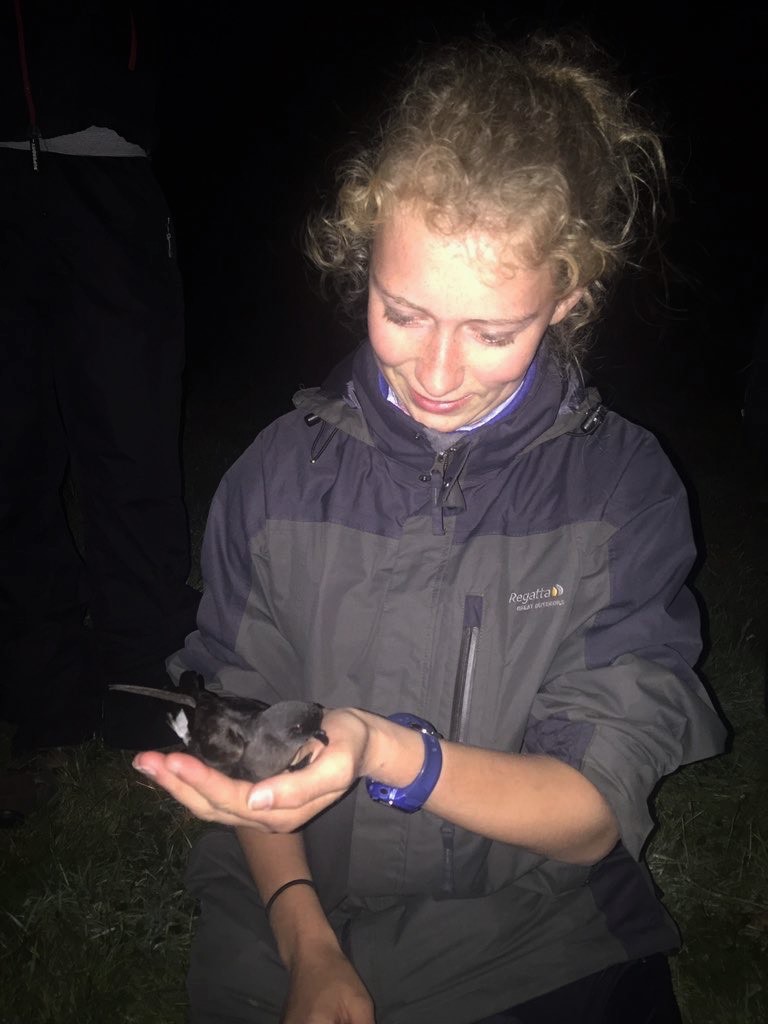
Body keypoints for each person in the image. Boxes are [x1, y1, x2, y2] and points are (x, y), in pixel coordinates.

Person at [134, 34, 727, 1024]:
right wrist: (307, 945)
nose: (439, 375)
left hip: (536, 937)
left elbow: (590, 815)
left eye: (493, 332)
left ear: (568, 299)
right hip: (281, 924)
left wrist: (382, 751)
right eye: (402, 312)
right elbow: (241, 732)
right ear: (364, 260)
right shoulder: (272, 480)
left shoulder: (625, 492)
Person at [0, 0, 199, 765]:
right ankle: (43, 691)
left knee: (131, 438)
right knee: (9, 455)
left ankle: (146, 679)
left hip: (106, 161)